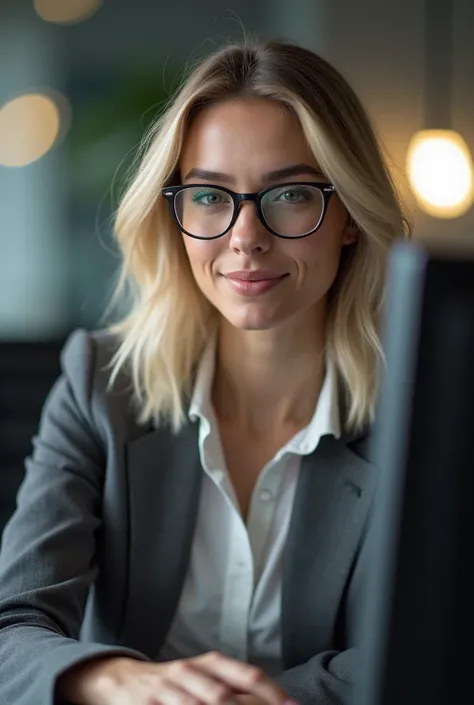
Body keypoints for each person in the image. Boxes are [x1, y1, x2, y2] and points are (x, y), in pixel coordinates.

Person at [0, 38, 410, 705]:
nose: (246, 236)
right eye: (210, 197)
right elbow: (11, 629)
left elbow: (435, 645)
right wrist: (120, 679)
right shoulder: (99, 383)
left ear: (349, 218)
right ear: (176, 213)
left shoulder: (421, 412)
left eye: (292, 193)